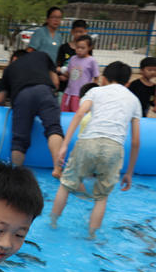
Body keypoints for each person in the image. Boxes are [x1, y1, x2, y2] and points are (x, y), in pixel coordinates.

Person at [51, 62, 141, 239]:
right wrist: (129, 172)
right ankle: (91, 236)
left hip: (88, 142)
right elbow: (136, 141)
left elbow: (79, 114)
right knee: (101, 197)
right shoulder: (134, 100)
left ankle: (52, 223)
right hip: (114, 147)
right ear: (127, 82)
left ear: (104, 78)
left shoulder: (96, 91)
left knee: (66, 185)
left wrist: (64, 145)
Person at [0, 50, 64, 175]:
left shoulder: (9, 69)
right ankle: (57, 167)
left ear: (15, 58)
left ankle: (16, 173)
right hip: (44, 90)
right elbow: (55, 82)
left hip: (21, 96)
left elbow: (0, 99)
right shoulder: (42, 55)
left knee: (19, 141)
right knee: (53, 129)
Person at [61, 35, 99, 112]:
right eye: (77, 47)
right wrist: (61, 72)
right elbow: (69, 73)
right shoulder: (73, 58)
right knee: (64, 114)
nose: (79, 50)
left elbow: (96, 77)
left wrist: (91, 92)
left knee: (77, 115)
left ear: (90, 48)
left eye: (82, 48)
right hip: (68, 93)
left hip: (80, 95)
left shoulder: (91, 61)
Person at [56, 19, 88, 92]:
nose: (79, 34)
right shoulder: (64, 48)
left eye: (81, 32)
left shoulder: (88, 50)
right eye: (77, 32)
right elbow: (58, 66)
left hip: (79, 87)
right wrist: (62, 74)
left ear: (86, 32)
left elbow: (85, 69)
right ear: (72, 32)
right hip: (63, 87)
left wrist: (68, 76)